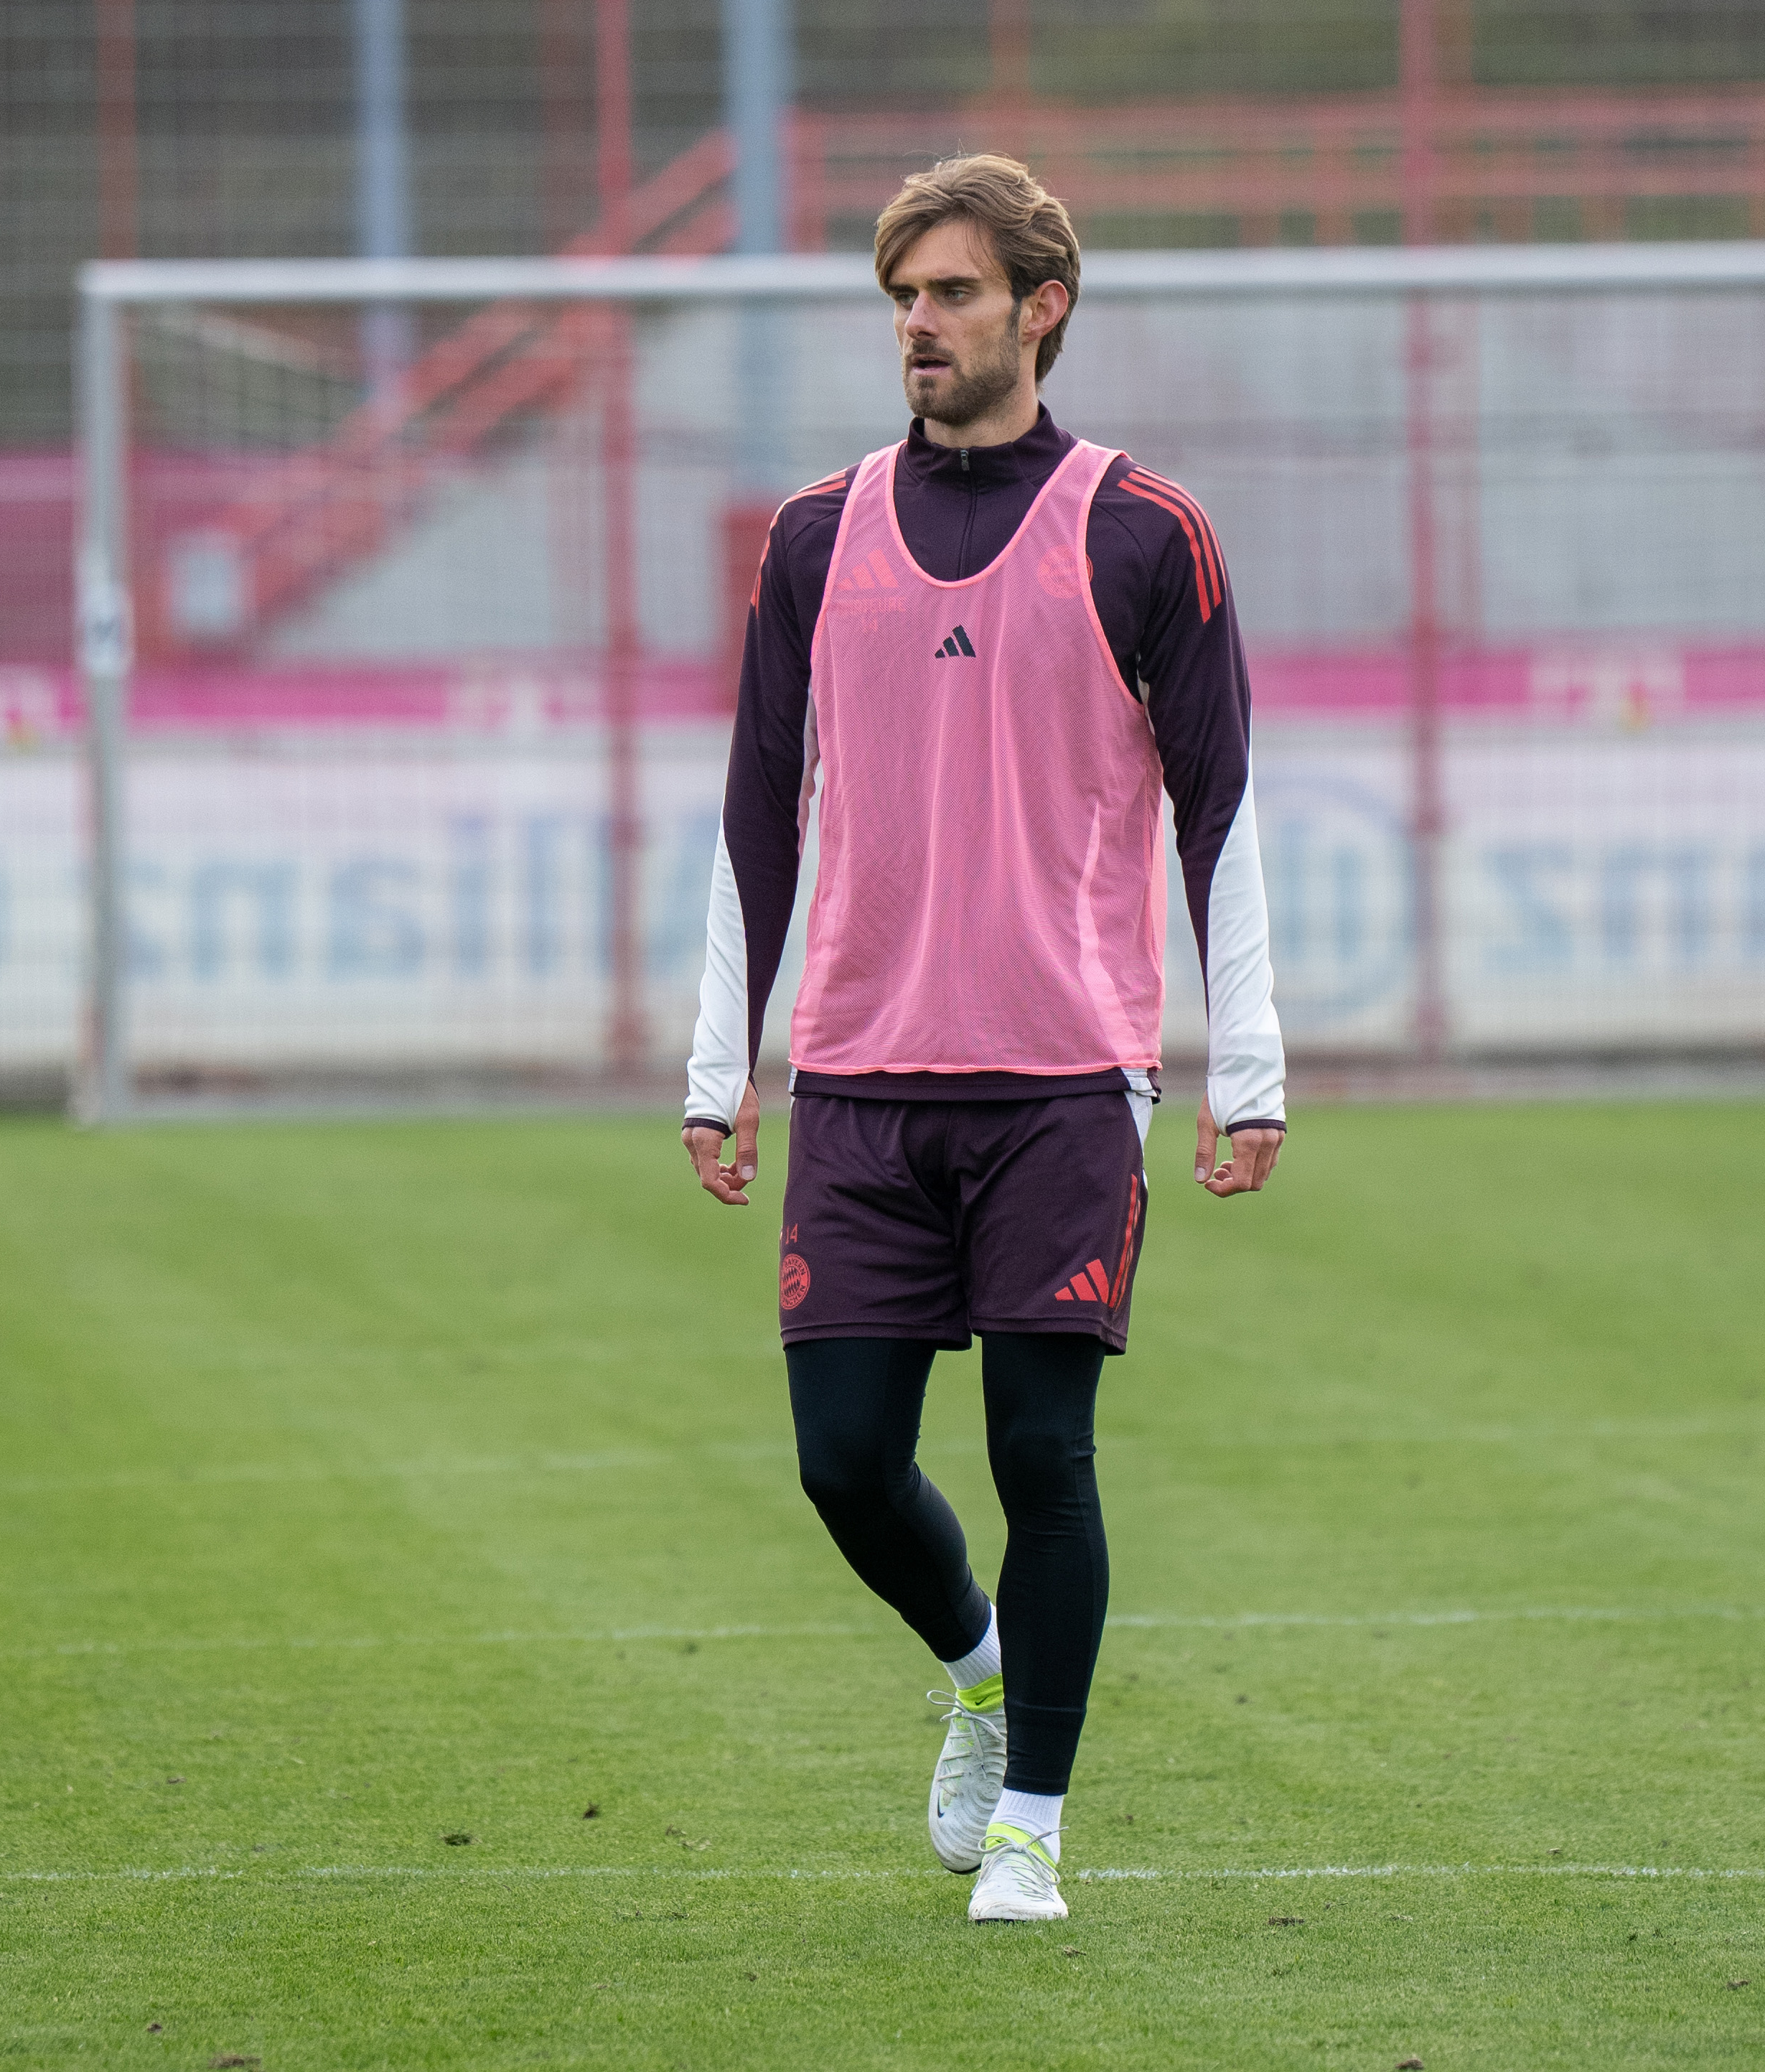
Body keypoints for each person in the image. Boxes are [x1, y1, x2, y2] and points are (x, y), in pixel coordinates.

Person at [678, 154, 1287, 1926]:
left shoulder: (1142, 532)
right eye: (900, 299)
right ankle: (979, 1667)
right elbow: (753, 816)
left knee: (1045, 1456)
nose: (916, 326)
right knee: (844, 1463)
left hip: (1063, 1085)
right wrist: (722, 1069)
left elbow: (1222, 813)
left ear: (1043, 307)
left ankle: (1032, 1822)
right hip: (861, 1082)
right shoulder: (816, 538)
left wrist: (1245, 1072)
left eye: (948, 294)